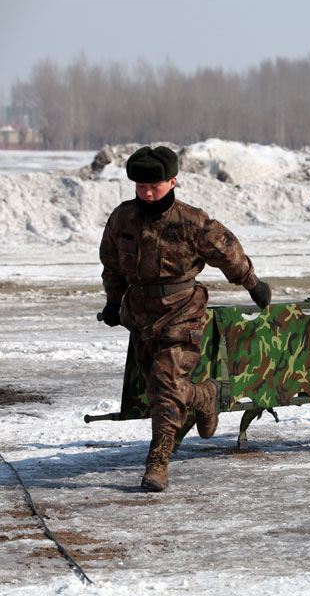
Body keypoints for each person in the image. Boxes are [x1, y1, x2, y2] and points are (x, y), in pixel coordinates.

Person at [99, 145, 272, 491]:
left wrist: (252, 284)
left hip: (183, 313)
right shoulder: (123, 218)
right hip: (141, 316)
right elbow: (112, 265)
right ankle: (205, 397)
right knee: (158, 389)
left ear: (173, 180)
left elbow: (227, 251)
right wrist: (113, 303)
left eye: (155, 186)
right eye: (140, 187)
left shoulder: (191, 221)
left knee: (163, 387)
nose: (147, 194)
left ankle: (158, 462)